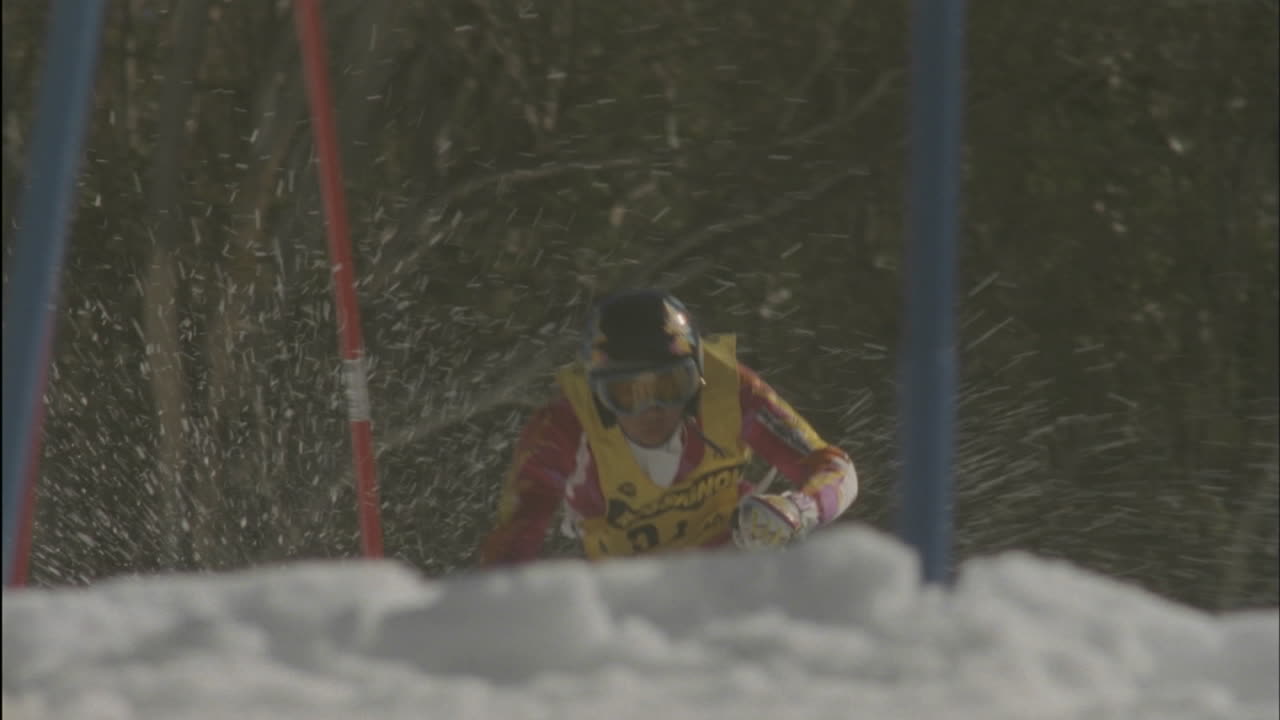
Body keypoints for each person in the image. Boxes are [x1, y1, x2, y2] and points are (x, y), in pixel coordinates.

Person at [477, 288, 859, 565]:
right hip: (629, 597)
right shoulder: (564, 426)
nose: (652, 410)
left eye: (670, 386)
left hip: (733, 569)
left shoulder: (729, 389)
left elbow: (835, 467)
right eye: (627, 393)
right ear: (597, 394)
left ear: (698, 379)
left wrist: (798, 509)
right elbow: (516, 534)